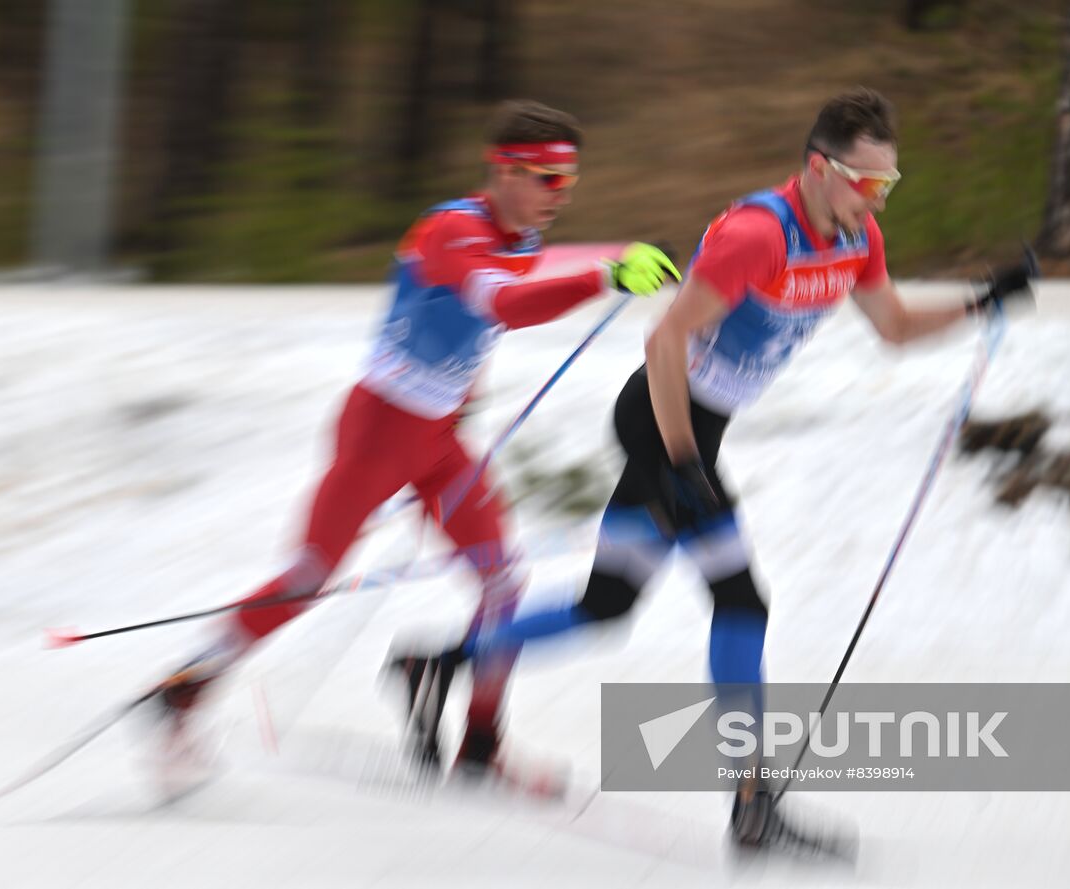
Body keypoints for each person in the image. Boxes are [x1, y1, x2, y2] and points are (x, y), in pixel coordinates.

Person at [393, 87, 1036, 848]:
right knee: (742, 600)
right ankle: (752, 802)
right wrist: (680, 461)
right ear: (818, 168)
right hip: (663, 422)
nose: (878, 201)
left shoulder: (856, 240)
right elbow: (664, 342)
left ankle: (437, 660)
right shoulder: (758, 234)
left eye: (887, 185)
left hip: (698, 432)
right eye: (867, 184)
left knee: (607, 604)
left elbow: (892, 326)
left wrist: (981, 301)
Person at [154, 99, 681, 777]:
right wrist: (607, 275)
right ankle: (182, 691)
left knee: (503, 583)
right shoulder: (450, 231)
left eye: (570, 182)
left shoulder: (516, 236)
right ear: (505, 170)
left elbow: (536, 267)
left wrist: (621, 252)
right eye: (548, 180)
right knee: (309, 577)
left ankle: (482, 745)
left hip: (437, 441)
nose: (561, 195)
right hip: (378, 431)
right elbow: (505, 305)